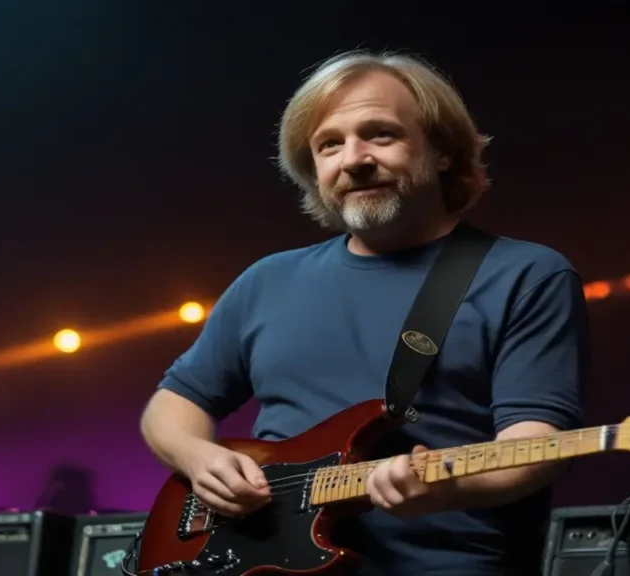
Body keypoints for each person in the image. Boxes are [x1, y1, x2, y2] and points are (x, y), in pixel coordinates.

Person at [139, 50, 590, 575]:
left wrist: (445, 488)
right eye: (330, 144)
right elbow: (172, 407)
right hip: (260, 562)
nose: (353, 159)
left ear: (442, 151)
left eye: (381, 134)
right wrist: (200, 459)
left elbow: (538, 445)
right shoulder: (268, 280)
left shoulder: (526, 274)